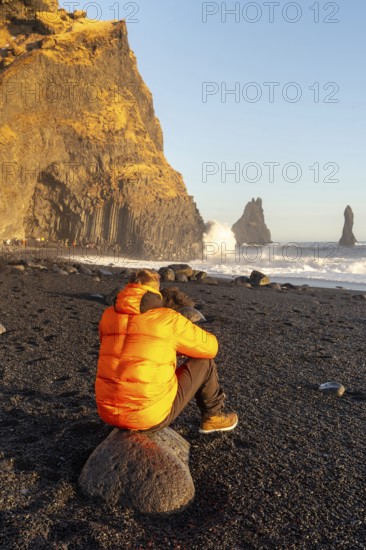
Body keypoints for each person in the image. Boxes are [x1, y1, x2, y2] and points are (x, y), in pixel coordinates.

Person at [95, 269, 238, 434]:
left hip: (108, 413)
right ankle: (213, 417)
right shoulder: (167, 319)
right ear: (156, 291)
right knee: (204, 362)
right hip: (147, 418)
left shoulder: (107, 316)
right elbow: (211, 348)